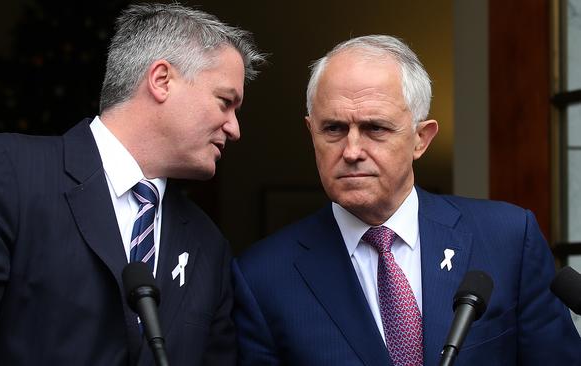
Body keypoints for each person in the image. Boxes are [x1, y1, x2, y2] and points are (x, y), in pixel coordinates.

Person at [0, 3, 264, 365]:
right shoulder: (5, 175)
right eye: (225, 102)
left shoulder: (208, 245)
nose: (235, 128)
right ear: (162, 80)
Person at [232, 35, 581, 365]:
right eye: (334, 129)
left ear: (421, 139)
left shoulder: (506, 240)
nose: (352, 151)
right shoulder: (262, 276)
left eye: (376, 128)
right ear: (311, 132)